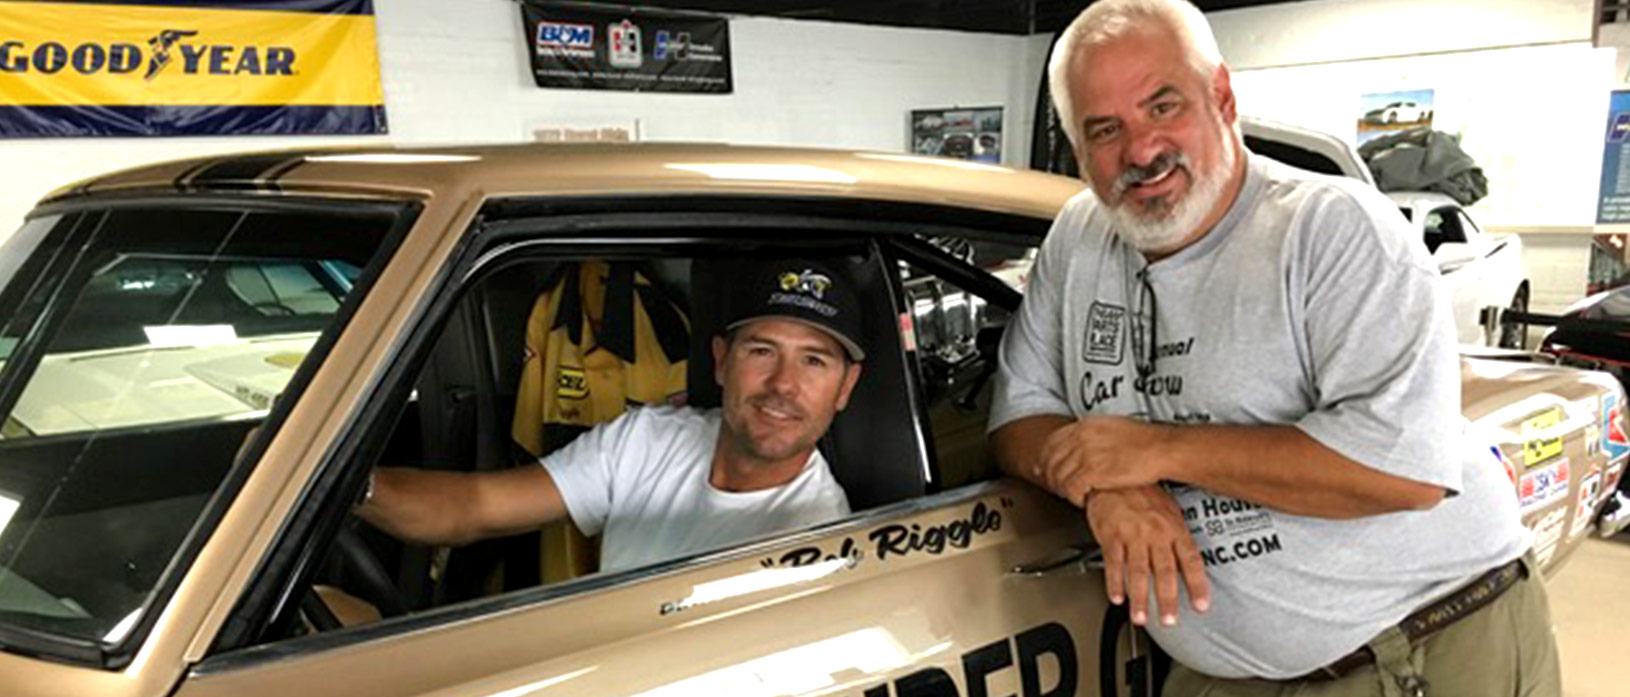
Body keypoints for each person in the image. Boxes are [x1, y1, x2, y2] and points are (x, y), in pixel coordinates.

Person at [989, 0, 1557, 694]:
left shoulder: (1333, 231)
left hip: (1421, 643)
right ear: (1077, 149)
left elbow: (1403, 470)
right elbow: (1018, 416)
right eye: (1104, 129)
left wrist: (1153, 449)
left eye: (1163, 107)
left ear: (1222, 97)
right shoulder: (1079, 239)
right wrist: (1107, 484)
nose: (1139, 150)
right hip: (1228, 671)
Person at [359, 260, 865, 573]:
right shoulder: (646, 439)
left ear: (845, 388)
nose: (782, 384)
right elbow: (476, 506)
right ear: (719, 361)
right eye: (761, 351)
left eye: (813, 361)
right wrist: (348, 486)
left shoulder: (820, 545)